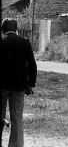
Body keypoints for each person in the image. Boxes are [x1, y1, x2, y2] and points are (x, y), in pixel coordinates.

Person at [1, 18, 37, 147]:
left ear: (2, 30)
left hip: (2, 85)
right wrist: (30, 84)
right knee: (17, 118)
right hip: (19, 85)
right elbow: (32, 64)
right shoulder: (24, 42)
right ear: (16, 29)